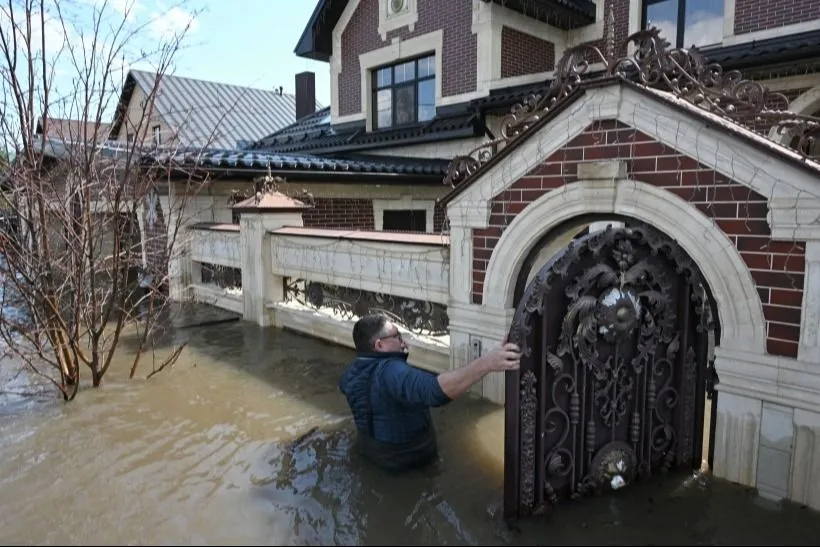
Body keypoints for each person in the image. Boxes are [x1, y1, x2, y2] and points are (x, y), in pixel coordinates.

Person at [339, 313, 522, 472]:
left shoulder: (350, 374)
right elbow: (435, 391)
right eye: (397, 336)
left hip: (372, 451)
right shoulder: (391, 371)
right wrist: (488, 363)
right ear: (379, 345)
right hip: (409, 460)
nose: (404, 342)